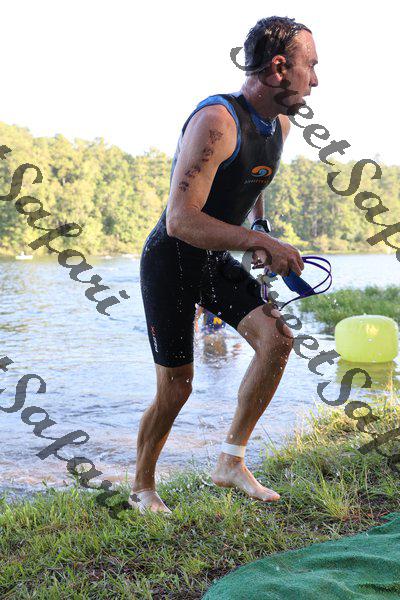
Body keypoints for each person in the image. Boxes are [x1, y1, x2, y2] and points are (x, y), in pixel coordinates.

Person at [131, 16, 318, 514]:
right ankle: (142, 487)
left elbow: (255, 180)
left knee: (277, 340)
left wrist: (260, 230)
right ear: (279, 68)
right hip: (171, 259)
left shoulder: (280, 124)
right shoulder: (217, 122)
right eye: (311, 66)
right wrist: (260, 241)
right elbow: (180, 220)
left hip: (213, 259)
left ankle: (230, 462)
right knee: (177, 387)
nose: (316, 80)